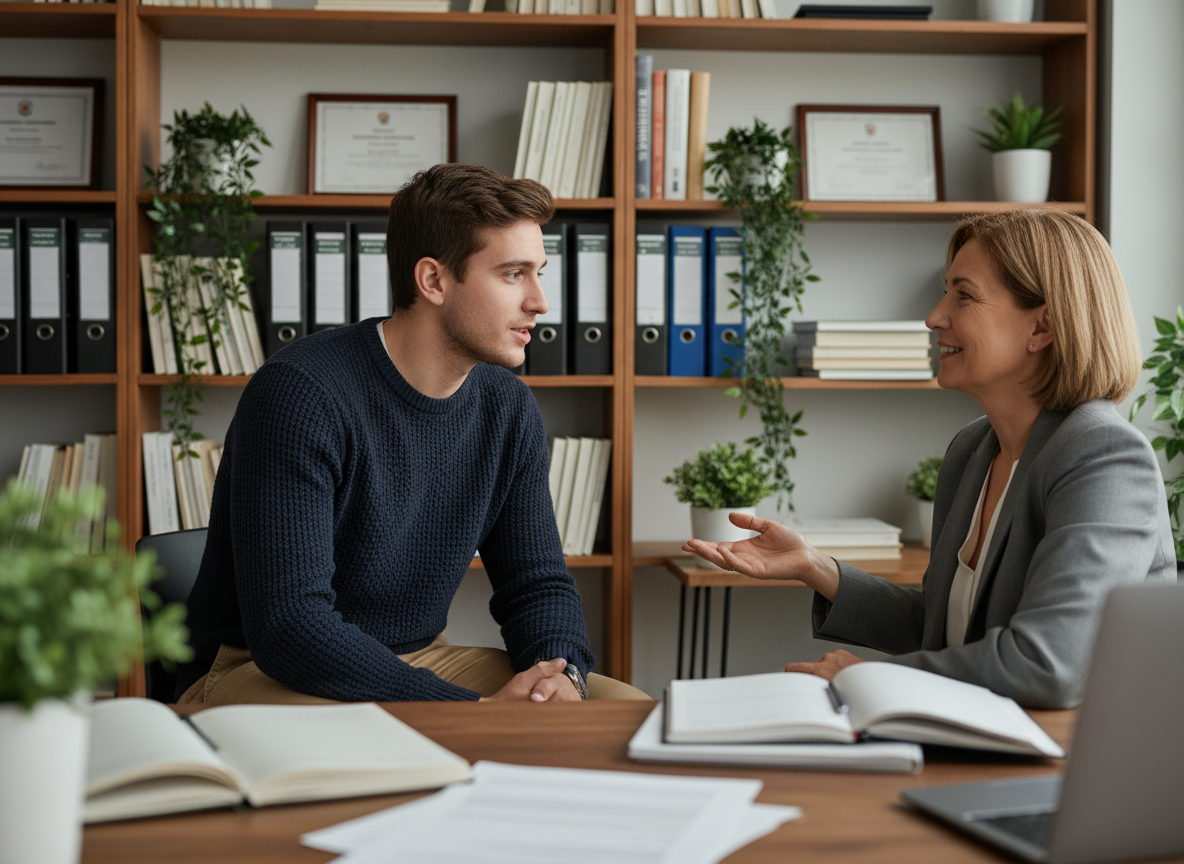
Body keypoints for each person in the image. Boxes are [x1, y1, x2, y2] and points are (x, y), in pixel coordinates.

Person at [176, 163, 645, 705]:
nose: (540, 301)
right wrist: (469, 712)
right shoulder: (301, 394)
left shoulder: (506, 406)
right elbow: (291, 625)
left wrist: (562, 677)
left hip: (418, 656)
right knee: (424, 745)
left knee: (622, 711)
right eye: (514, 274)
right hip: (263, 667)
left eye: (539, 272)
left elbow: (536, 584)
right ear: (434, 280)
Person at [685, 209, 1176, 709]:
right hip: (979, 741)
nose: (934, 316)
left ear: (1043, 326)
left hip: (1072, 766)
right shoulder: (972, 451)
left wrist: (876, 679)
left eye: (963, 295)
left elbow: (1049, 664)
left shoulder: (1105, 456)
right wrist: (814, 565)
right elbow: (946, 631)